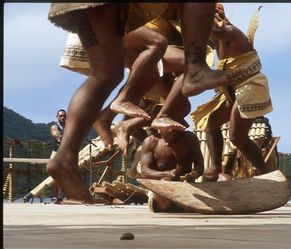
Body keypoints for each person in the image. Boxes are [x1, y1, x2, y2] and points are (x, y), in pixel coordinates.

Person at [46, 3, 242, 202]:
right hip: (118, 25)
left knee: (108, 74)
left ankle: (67, 157)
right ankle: (121, 113)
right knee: (154, 49)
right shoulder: (158, 23)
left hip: (103, 18)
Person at [191, 3, 274, 181]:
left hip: (250, 86)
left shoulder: (230, 31)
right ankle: (214, 168)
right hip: (232, 90)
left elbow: (214, 32)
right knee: (210, 121)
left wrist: (194, 18)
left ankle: (267, 175)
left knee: (237, 138)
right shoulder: (215, 41)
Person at [140, 128, 204, 211]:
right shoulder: (151, 141)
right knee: (165, 181)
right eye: (168, 128)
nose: (171, 130)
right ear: (160, 129)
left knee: (224, 178)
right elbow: (144, 171)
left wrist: (194, 174)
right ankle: (175, 206)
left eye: (174, 127)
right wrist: (167, 174)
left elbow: (200, 166)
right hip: (161, 188)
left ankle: (183, 205)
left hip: (186, 188)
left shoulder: (190, 138)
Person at [49, 109, 66, 203]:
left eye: (64, 116)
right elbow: (56, 135)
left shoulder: (69, 126)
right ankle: (54, 196)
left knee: (65, 175)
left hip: (66, 154)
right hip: (56, 153)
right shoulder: (54, 127)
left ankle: (61, 196)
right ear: (57, 117)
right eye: (60, 116)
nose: (62, 117)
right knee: (55, 177)